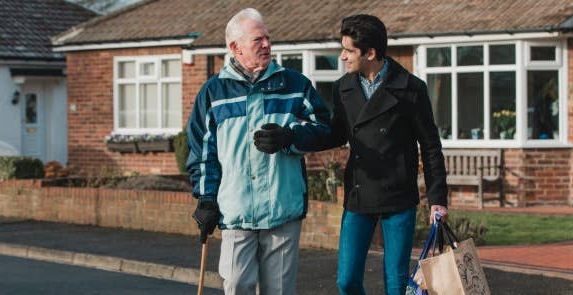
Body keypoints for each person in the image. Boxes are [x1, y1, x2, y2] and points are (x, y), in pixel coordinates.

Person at [185, 8, 331, 295]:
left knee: (277, 291)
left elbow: (327, 128)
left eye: (267, 37)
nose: (266, 44)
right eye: (257, 40)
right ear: (235, 47)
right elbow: (203, 152)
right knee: (237, 285)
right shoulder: (213, 93)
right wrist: (206, 199)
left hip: (282, 209)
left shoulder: (295, 84)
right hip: (236, 210)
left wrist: (290, 137)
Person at [324, 15, 449, 295]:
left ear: (370, 53)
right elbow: (335, 135)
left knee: (395, 283)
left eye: (349, 50)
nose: (342, 56)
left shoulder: (411, 89)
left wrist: (437, 199)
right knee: (346, 280)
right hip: (359, 194)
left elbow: (430, 147)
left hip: (398, 197)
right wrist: (294, 137)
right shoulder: (343, 88)